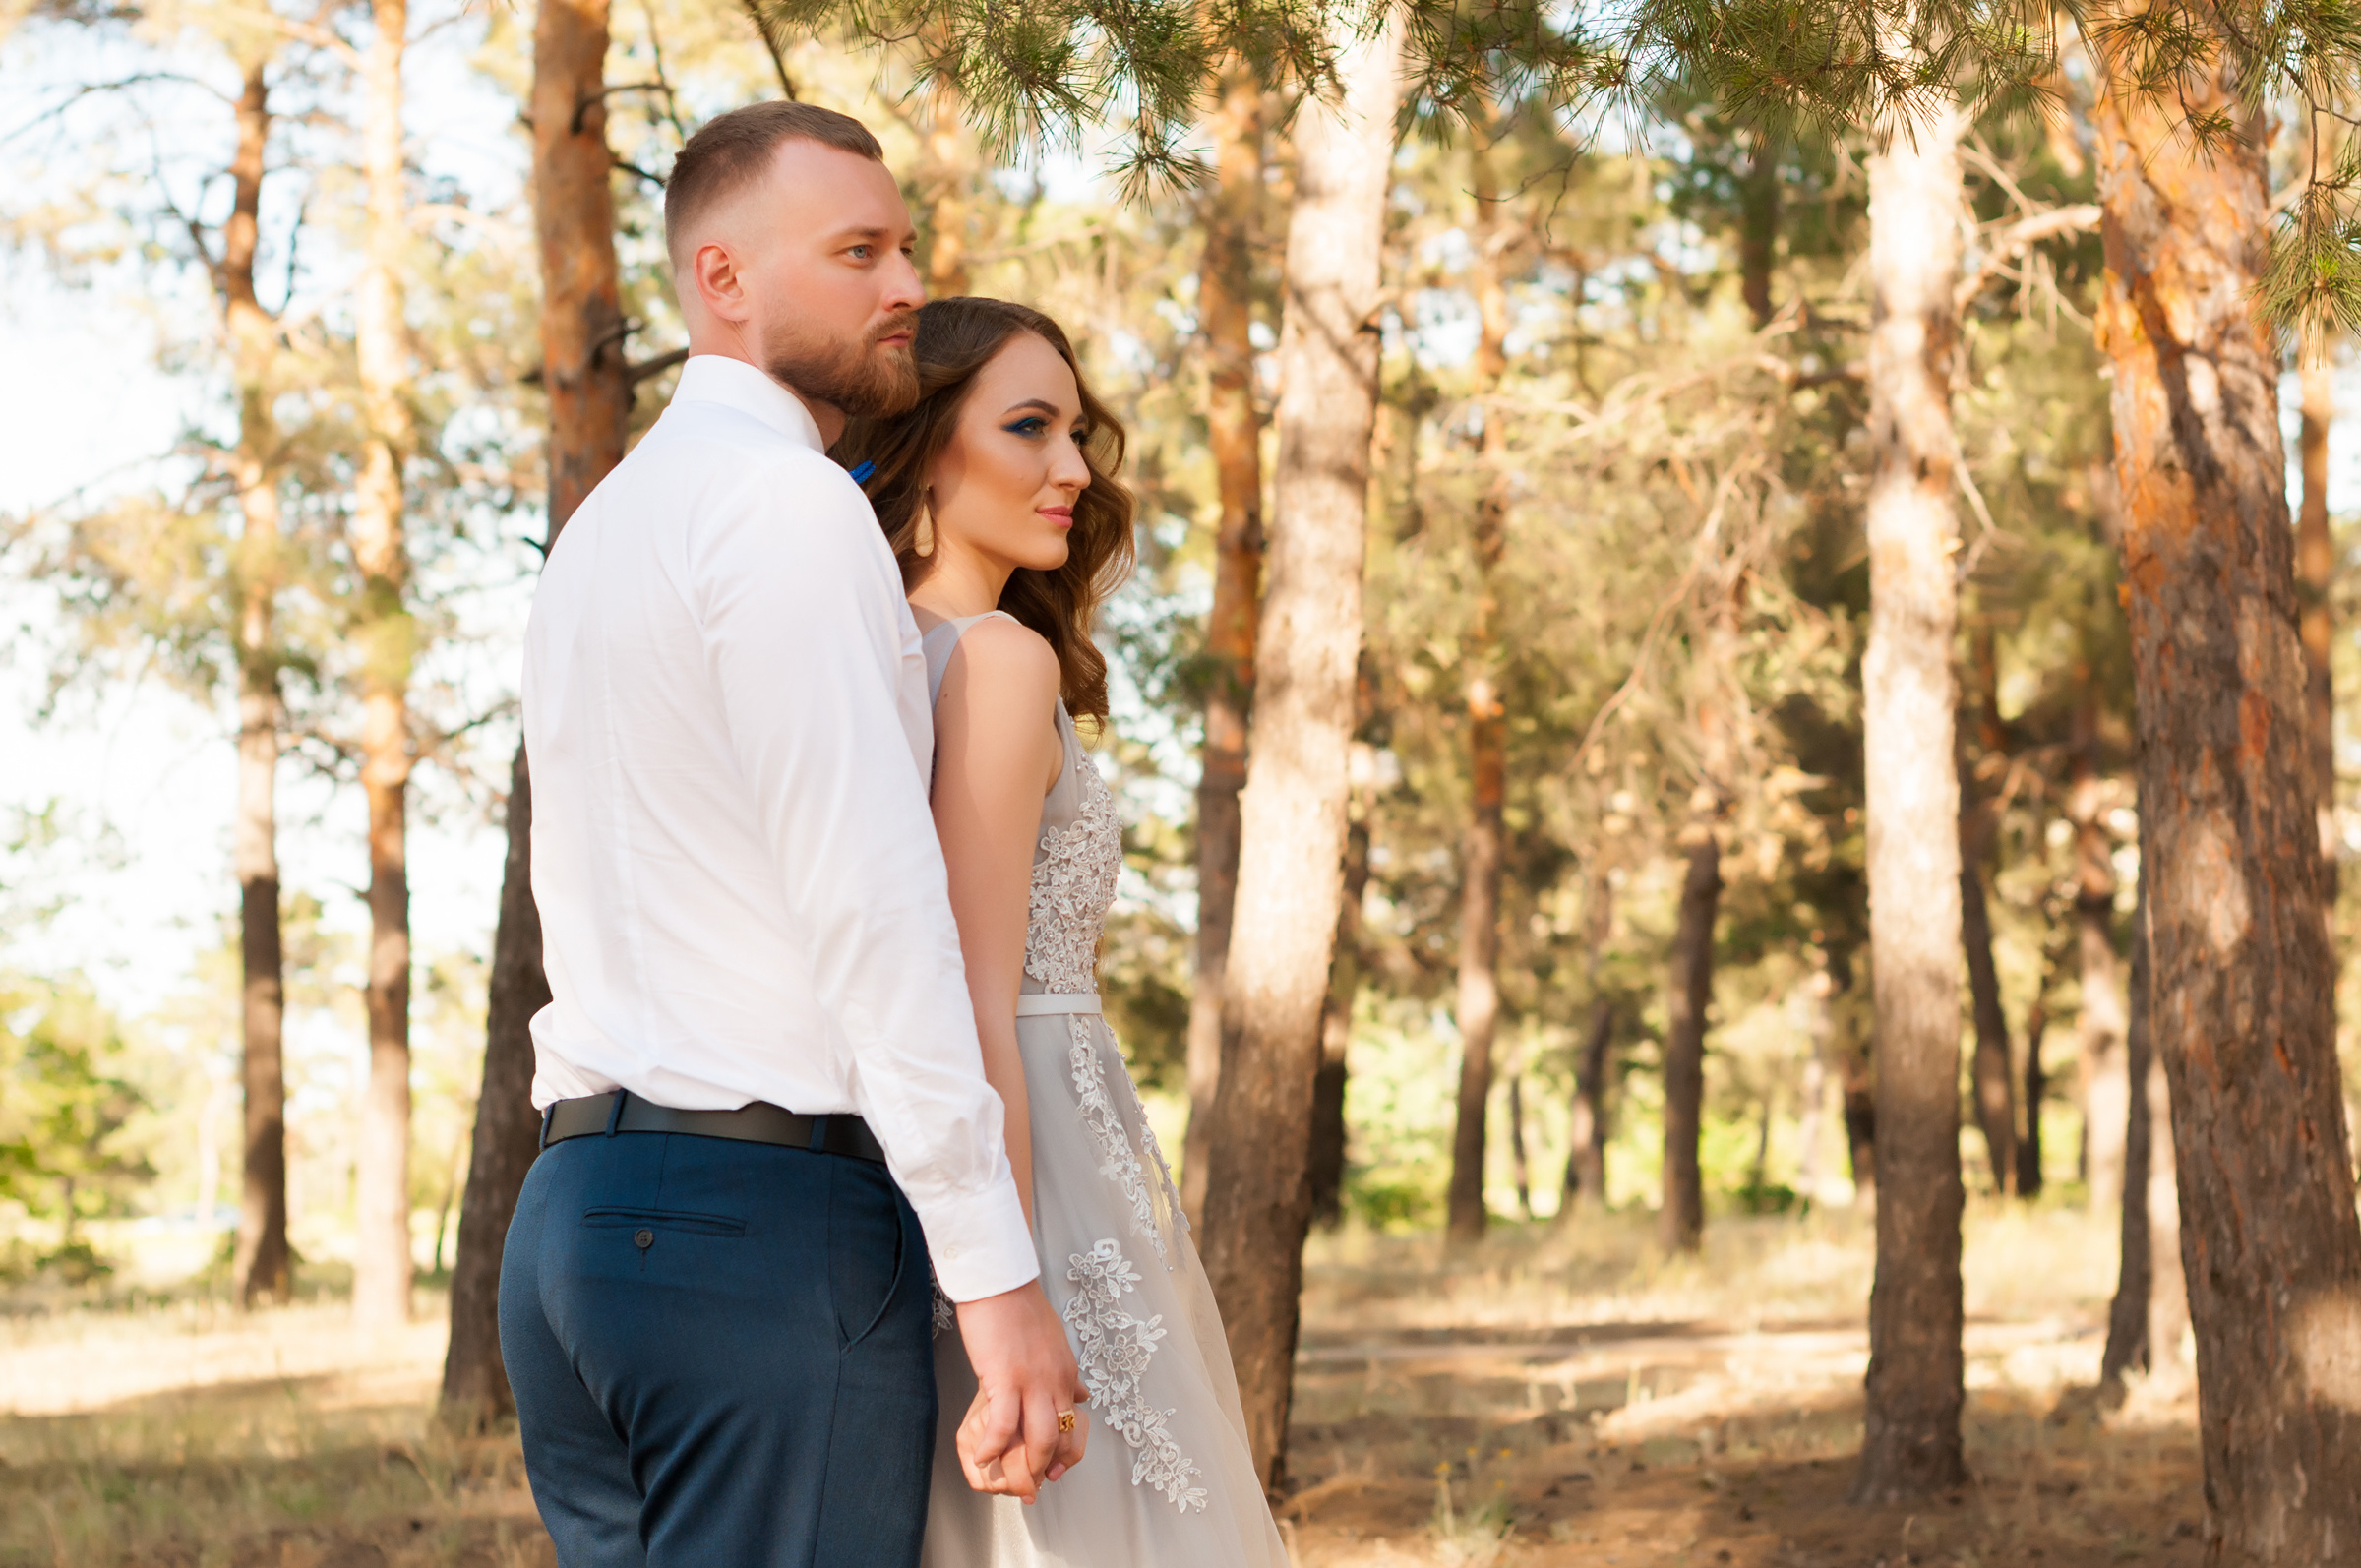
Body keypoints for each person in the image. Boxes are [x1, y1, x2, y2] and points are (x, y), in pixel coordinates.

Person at [500, 104, 1087, 1568]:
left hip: (572, 1225)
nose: (903, 285)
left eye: (904, 249)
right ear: (723, 280)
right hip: (753, 1233)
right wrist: (996, 1271)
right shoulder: (790, 511)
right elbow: (876, 908)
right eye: (858, 251)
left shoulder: (606, 527)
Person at [836, 296, 1291, 1568]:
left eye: (1078, 432)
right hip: (1034, 1149)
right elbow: (980, 989)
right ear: (928, 444)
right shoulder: (993, 661)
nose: (1077, 469)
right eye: (1029, 426)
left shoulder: (877, 652)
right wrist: (1014, 1276)